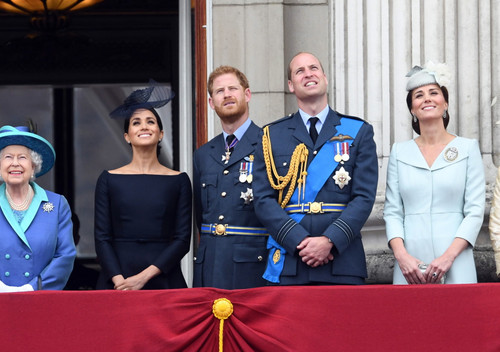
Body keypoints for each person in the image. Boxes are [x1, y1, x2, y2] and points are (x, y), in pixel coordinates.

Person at [252, 52, 378, 285]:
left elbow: (364, 197)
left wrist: (330, 240)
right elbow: (262, 199)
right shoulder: (271, 135)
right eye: (299, 71)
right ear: (291, 85)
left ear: (325, 78)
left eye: (313, 68)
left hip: (342, 260)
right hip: (291, 260)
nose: (308, 74)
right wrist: (298, 241)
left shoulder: (358, 131)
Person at [385, 62, 484, 284]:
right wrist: (402, 257)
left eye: (434, 92)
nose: (427, 98)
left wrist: (448, 257)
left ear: (445, 102)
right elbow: (392, 212)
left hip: (455, 259)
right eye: (418, 95)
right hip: (410, 263)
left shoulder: (467, 148)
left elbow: (475, 211)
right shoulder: (399, 152)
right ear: (412, 108)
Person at [94, 80, 191, 290]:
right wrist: (120, 281)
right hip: (117, 280)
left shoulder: (179, 180)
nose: (144, 126)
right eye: (136, 122)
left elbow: (183, 240)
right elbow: (102, 238)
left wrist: (143, 278)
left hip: (164, 278)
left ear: (161, 134)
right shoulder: (108, 179)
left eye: (151, 121)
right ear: (127, 136)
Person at [0, 125, 76, 292]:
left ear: (34, 166)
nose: (15, 163)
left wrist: (32, 287)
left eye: (22, 157)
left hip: (41, 300)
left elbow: (65, 256)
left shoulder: (57, 204)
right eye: (8, 157)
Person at [192, 66, 268, 289]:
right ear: (211, 102)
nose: (226, 95)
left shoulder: (269, 144)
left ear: (247, 94)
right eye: (219, 91)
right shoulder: (203, 154)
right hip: (210, 265)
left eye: (232, 88)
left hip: (253, 266)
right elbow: (201, 216)